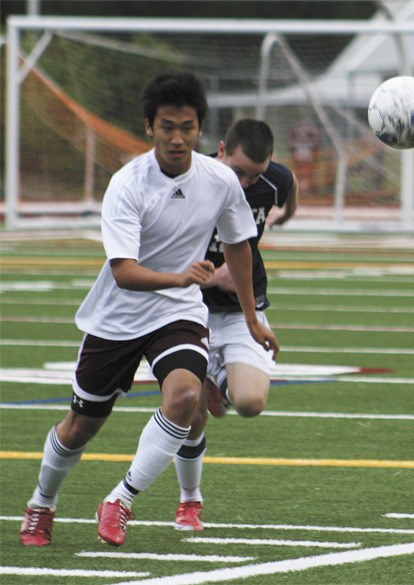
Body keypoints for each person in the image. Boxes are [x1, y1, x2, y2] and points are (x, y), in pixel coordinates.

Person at [19, 73, 279, 548]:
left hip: (177, 312)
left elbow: (241, 245)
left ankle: (121, 498)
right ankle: (42, 503)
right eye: (166, 127)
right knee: (80, 428)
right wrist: (181, 277)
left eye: (186, 126)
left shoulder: (220, 180)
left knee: (185, 399)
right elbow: (123, 272)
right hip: (119, 315)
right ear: (148, 128)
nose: (177, 138)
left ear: (200, 128)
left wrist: (250, 318)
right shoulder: (127, 184)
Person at [174, 118, 297, 531]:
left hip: (245, 303)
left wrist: (285, 215)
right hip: (190, 307)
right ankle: (190, 501)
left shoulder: (272, 180)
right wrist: (209, 275)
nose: (245, 184)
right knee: (188, 410)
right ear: (221, 150)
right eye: (238, 171)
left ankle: (218, 378)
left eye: (255, 175)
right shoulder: (190, 183)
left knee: (250, 403)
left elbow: (287, 185)